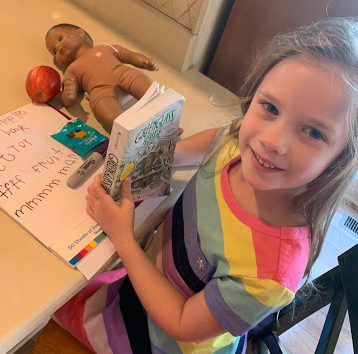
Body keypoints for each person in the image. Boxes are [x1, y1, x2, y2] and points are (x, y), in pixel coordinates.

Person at [55, 17, 358, 353]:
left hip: (160, 340)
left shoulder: (270, 273)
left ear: (341, 159)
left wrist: (124, 238)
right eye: (270, 107)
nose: (273, 140)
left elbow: (182, 323)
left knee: (48, 308)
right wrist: (155, 160)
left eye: (313, 132)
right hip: (143, 282)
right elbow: (218, 138)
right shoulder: (244, 145)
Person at [45, 23, 159, 133]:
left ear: (80, 32)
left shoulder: (105, 47)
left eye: (60, 38)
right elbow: (68, 97)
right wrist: (68, 95)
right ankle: (130, 132)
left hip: (124, 74)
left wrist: (143, 61)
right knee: (107, 114)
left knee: (145, 85)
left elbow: (129, 55)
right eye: (54, 51)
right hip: (101, 92)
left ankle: (162, 110)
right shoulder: (71, 70)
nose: (58, 47)